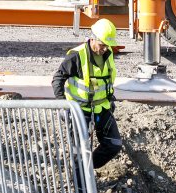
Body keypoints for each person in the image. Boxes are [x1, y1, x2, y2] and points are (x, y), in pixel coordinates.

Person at [51, 18, 123, 170]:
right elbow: (58, 79)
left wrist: (109, 98)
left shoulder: (107, 54)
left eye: (108, 45)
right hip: (80, 111)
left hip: (101, 108)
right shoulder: (77, 56)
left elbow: (99, 81)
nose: (105, 48)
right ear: (92, 38)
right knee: (80, 152)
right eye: (102, 44)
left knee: (113, 144)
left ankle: (88, 169)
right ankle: (81, 189)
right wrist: (63, 104)